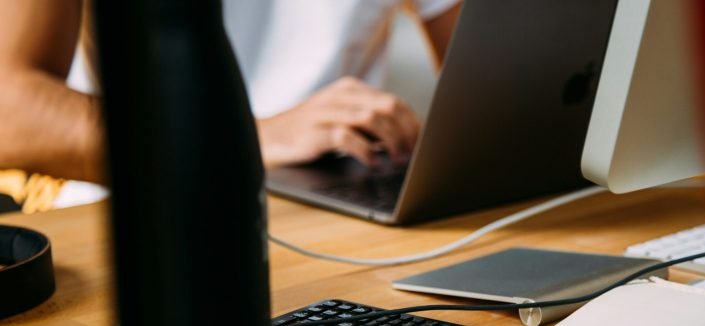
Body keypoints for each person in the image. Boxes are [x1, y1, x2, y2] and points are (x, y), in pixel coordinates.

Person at [0, 0, 461, 191]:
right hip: (147, 213)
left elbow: (497, 77)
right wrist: (243, 140)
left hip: (342, 203)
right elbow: (10, 109)